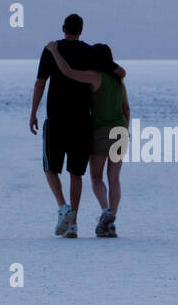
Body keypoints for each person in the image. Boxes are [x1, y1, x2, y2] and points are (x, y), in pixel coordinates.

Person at [28, 13, 123, 238]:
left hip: (57, 118)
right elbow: (116, 71)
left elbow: (40, 83)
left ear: (63, 28)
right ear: (81, 30)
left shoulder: (51, 50)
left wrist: (33, 113)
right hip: (82, 121)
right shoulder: (90, 52)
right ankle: (73, 225)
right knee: (76, 173)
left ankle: (63, 207)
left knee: (50, 167)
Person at [45, 40, 130, 237]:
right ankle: (110, 224)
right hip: (121, 131)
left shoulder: (95, 77)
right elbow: (126, 109)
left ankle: (105, 210)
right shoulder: (119, 80)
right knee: (114, 179)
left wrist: (54, 51)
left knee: (96, 177)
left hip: (100, 131)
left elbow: (68, 72)